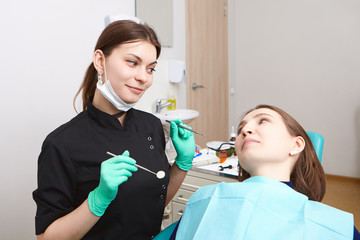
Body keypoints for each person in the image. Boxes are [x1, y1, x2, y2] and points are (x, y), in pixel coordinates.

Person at [33, 20, 195, 240]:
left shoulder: (151, 125)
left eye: (150, 68)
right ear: (100, 61)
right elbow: (46, 238)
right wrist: (97, 200)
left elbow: (154, 201)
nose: (144, 78)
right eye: (131, 62)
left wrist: (182, 164)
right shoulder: (62, 144)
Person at [167, 105, 359, 240]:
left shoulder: (334, 225)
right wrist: (182, 162)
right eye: (241, 128)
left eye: (263, 121)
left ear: (296, 144)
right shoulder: (204, 199)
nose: (246, 130)